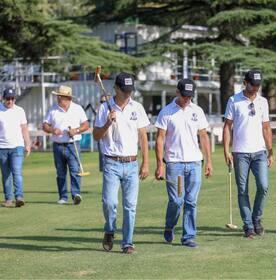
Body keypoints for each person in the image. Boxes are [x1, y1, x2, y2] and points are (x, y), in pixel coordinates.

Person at [93, 72, 150, 254]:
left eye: (130, 90)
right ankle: (110, 229)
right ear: (116, 88)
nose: (128, 94)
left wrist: (146, 163)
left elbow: (142, 136)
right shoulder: (105, 108)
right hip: (112, 163)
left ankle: (128, 242)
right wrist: (107, 124)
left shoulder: (137, 107)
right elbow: (96, 136)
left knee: (130, 206)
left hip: (132, 163)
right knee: (109, 203)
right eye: (124, 90)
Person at [154, 78, 212, 248]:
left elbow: (203, 136)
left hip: (194, 162)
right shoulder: (166, 112)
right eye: (185, 95)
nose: (187, 99)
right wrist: (160, 164)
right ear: (177, 92)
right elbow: (160, 138)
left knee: (191, 201)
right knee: (177, 201)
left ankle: (188, 236)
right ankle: (169, 225)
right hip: (174, 163)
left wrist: (209, 161)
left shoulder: (198, 111)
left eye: (190, 96)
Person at [223, 70, 273, 239]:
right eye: (253, 84)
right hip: (240, 152)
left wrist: (270, 150)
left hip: (259, 152)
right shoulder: (234, 100)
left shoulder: (263, 102)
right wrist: (226, 151)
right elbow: (227, 126)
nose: (256, 88)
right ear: (245, 82)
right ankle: (248, 225)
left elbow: (266, 127)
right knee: (242, 190)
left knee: (263, 186)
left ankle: (256, 218)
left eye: (258, 85)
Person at [42, 85, 89, 205]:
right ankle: (63, 196)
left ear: (68, 98)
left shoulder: (78, 109)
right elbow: (45, 125)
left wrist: (76, 130)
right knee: (61, 173)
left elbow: (86, 125)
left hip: (73, 145)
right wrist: (53, 130)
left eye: (61, 97)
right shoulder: (53, 110)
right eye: (58, 96)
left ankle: (76, 195)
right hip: (57, 146)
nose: (58, 98)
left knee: (75, 171)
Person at [0, 88, 31, 207]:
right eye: (8, 98)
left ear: (15, 99)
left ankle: (19, 197)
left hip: (17, 146)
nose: (10, 101)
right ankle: (8, 199)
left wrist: (28, 143)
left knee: (17, 172)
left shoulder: (20, 111)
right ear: (4, 98)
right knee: (6, 174)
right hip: (2, 147)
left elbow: (24, 128)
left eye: (12, 98)